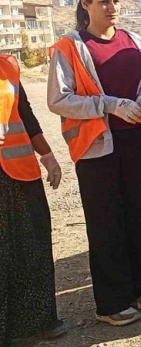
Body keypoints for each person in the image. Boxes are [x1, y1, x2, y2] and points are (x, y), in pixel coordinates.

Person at [48, 0, 141, 326]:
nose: (112, 8)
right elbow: (58, 99)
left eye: (116, 1)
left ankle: (137, 285)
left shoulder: (135, 42)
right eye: (103, 2)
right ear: (85, 4)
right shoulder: (70, 46)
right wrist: (108, 105)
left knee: (135, 215)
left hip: (133, 140)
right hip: (96, 146)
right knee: (105, 220)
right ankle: (111, 302)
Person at [0, 55, 68, 344]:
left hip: (20, 171)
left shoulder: (8, 66)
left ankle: (38, 322)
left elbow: (24, 114)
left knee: (33, 244)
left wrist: (48, 155)